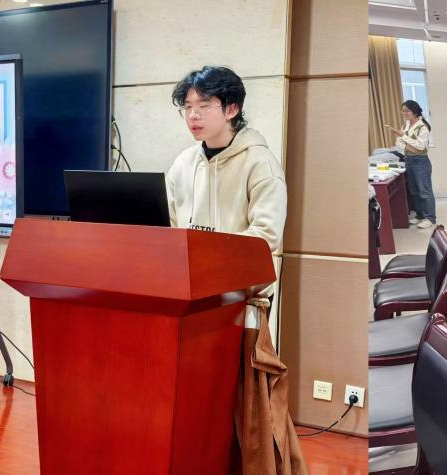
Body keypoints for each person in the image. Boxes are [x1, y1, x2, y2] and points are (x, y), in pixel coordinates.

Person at [165, 65, 305, 473]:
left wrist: (208, 259)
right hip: (191, 302)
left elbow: (265, 238)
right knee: (197, 405)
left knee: (242, 411)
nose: (193, 115)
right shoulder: (183, 164)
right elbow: (170, 228)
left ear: (232, 108)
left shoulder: (260, 163)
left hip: (240, 302)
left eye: (204, 105)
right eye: (187, 107)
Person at [389, 100, 437, 229]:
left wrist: (404, 137)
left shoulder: (423, 127)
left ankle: (430, 218)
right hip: (409, 160)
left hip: (421, 162)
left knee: (424, 191)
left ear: (414, 112)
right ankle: (420, 215)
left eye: (407, 111)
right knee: (414, 191)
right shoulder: (405, 125)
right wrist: (409, 146)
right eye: (403, 111)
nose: (404, 113)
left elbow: (420, 147)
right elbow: (398, 143)